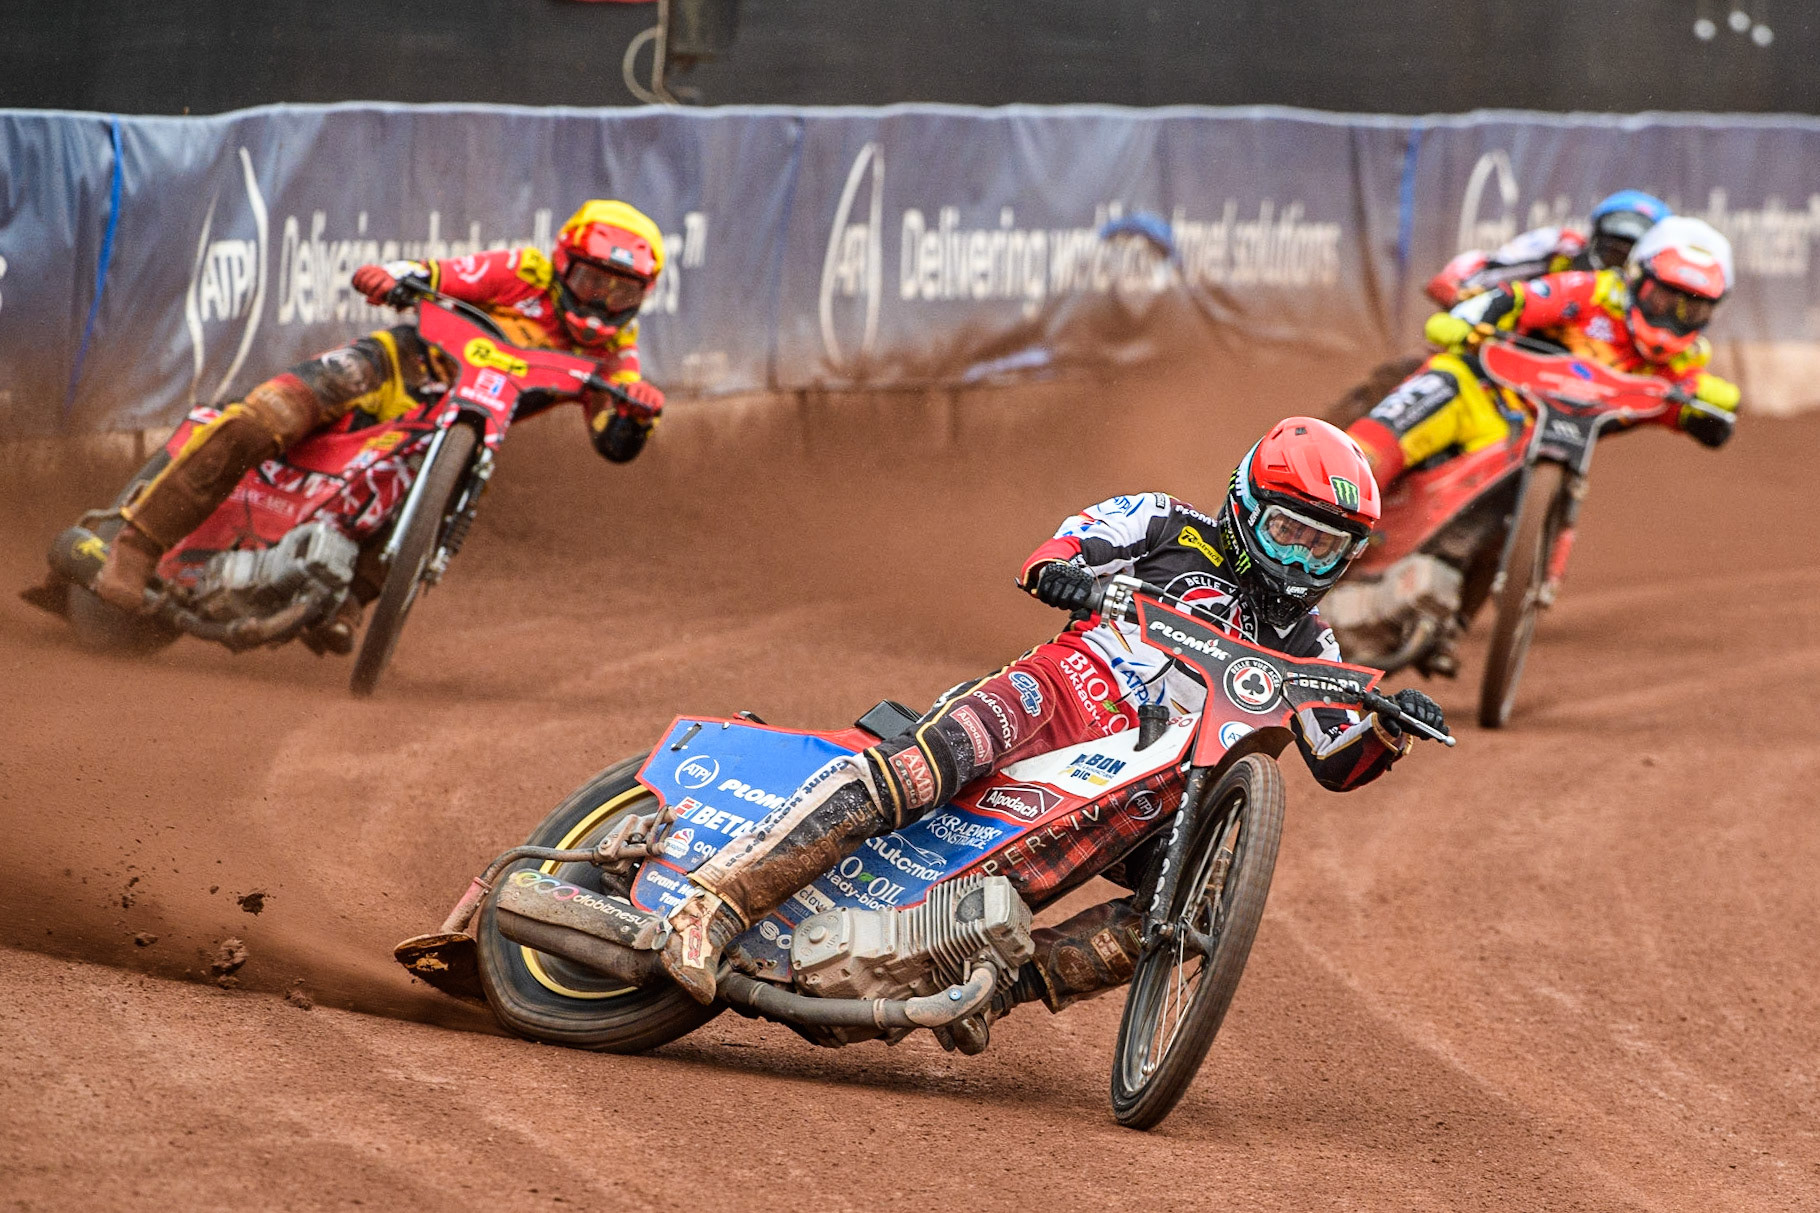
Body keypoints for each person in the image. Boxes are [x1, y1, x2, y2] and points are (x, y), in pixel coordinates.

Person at [651, 417, 1447, 1009]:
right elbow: (1059, 551)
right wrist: (1068, 577)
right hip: (1064, 691)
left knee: (1184, 913)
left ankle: (995, 992)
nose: (1302, 561)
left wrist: (1387, 728)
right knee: (920, 768)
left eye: (1325, 548)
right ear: (1247, 504)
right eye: (1290, 534)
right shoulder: (1167, 524)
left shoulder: (1311, 637)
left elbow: (1336, 757)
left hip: (1156, 782)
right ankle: (712, 907)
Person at [93, 199, 670, 649]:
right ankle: (136, 548)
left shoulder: (617, 354)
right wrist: (394, 277)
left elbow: (613, 443)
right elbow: (439, 274)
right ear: (564, 265)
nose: (602, 302)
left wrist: (635, 417)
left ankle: (349, 602)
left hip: (446, 429)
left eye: (622, 291)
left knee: (453, 488)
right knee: (263, 418)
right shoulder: (524, 271)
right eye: (593, 282)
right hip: (390, 367)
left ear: (642, 297)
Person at [1349, 215, 1742, 494]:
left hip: (1539, 442)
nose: (1673, 317)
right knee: (1423, 404)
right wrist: (1465, 320)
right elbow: (1516, 298)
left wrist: (1704, 413)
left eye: (1691, 309)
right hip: (1484, 393)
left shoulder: (1682, 360)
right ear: (1638, 277)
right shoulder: (1589, 289)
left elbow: (1678, 398)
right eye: (1664, 298)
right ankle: (1331, 489)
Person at [1426, 189, 1672, 307]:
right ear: (1595, 234)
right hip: (1526, 339)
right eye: (1613, 243)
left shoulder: (1662, 287)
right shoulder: (1562, 247)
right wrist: (1455, 282)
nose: (1619, 253)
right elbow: (1489, 262)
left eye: (1630, 247)